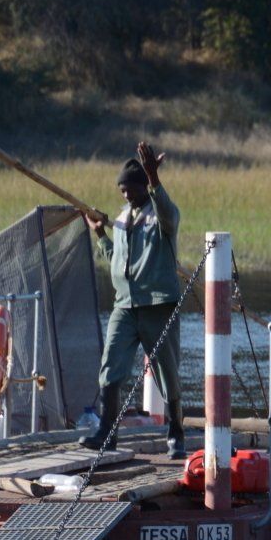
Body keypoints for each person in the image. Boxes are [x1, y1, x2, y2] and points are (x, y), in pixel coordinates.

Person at [82, 140, 186, 458]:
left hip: (158, 305)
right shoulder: (122, 219)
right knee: (110, 368)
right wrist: (101, 235)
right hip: (125, 306)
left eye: (131, 189)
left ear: (144, 186)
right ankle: (106, 432)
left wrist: (155, 178)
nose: (126, 195)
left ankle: (176, 433)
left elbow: (167, 209)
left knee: (166, 371)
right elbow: (118, 260)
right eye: (122, 190)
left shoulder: (163, 215)